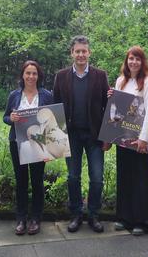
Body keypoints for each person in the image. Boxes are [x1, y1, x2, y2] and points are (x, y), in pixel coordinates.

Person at [53, 35, 109, 233]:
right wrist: (56, 137)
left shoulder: (100, 75)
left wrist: (107, 137)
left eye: (84, 51)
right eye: (77, 51)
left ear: (89, 53)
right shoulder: (61, 76)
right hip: (71, 136)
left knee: (97, 178)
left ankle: (93, 215)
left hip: (95, 136)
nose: (81, 55)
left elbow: (107, 106)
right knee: (73, 177)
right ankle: (76, 214)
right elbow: (56, 107)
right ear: (72, 53)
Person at [105, 46, 148, 236]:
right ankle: (125, 218)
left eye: (137, 59)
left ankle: (142, 221)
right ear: (126, 61)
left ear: (142, 62)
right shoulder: (121, 80)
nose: (133, 62)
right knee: (125, 177)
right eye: (130, 58)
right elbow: (115, 109)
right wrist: (110, 136)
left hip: (139, 140)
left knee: (140, 180)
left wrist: (144, 139)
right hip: (123, 138)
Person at [3, 60, 53, 235]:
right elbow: (5, 117)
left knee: (37, 182)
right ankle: (21, 218)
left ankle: (35, 219)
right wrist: (12, 118)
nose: (31, 76)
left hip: (39, 145)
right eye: (28, 73)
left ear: (38, 76)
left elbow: (52, 122)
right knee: (21, 182)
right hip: (18, 144)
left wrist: (50, 149)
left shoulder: (47, 95)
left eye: (34, 73)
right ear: (22, 75)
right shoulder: (14, 95)